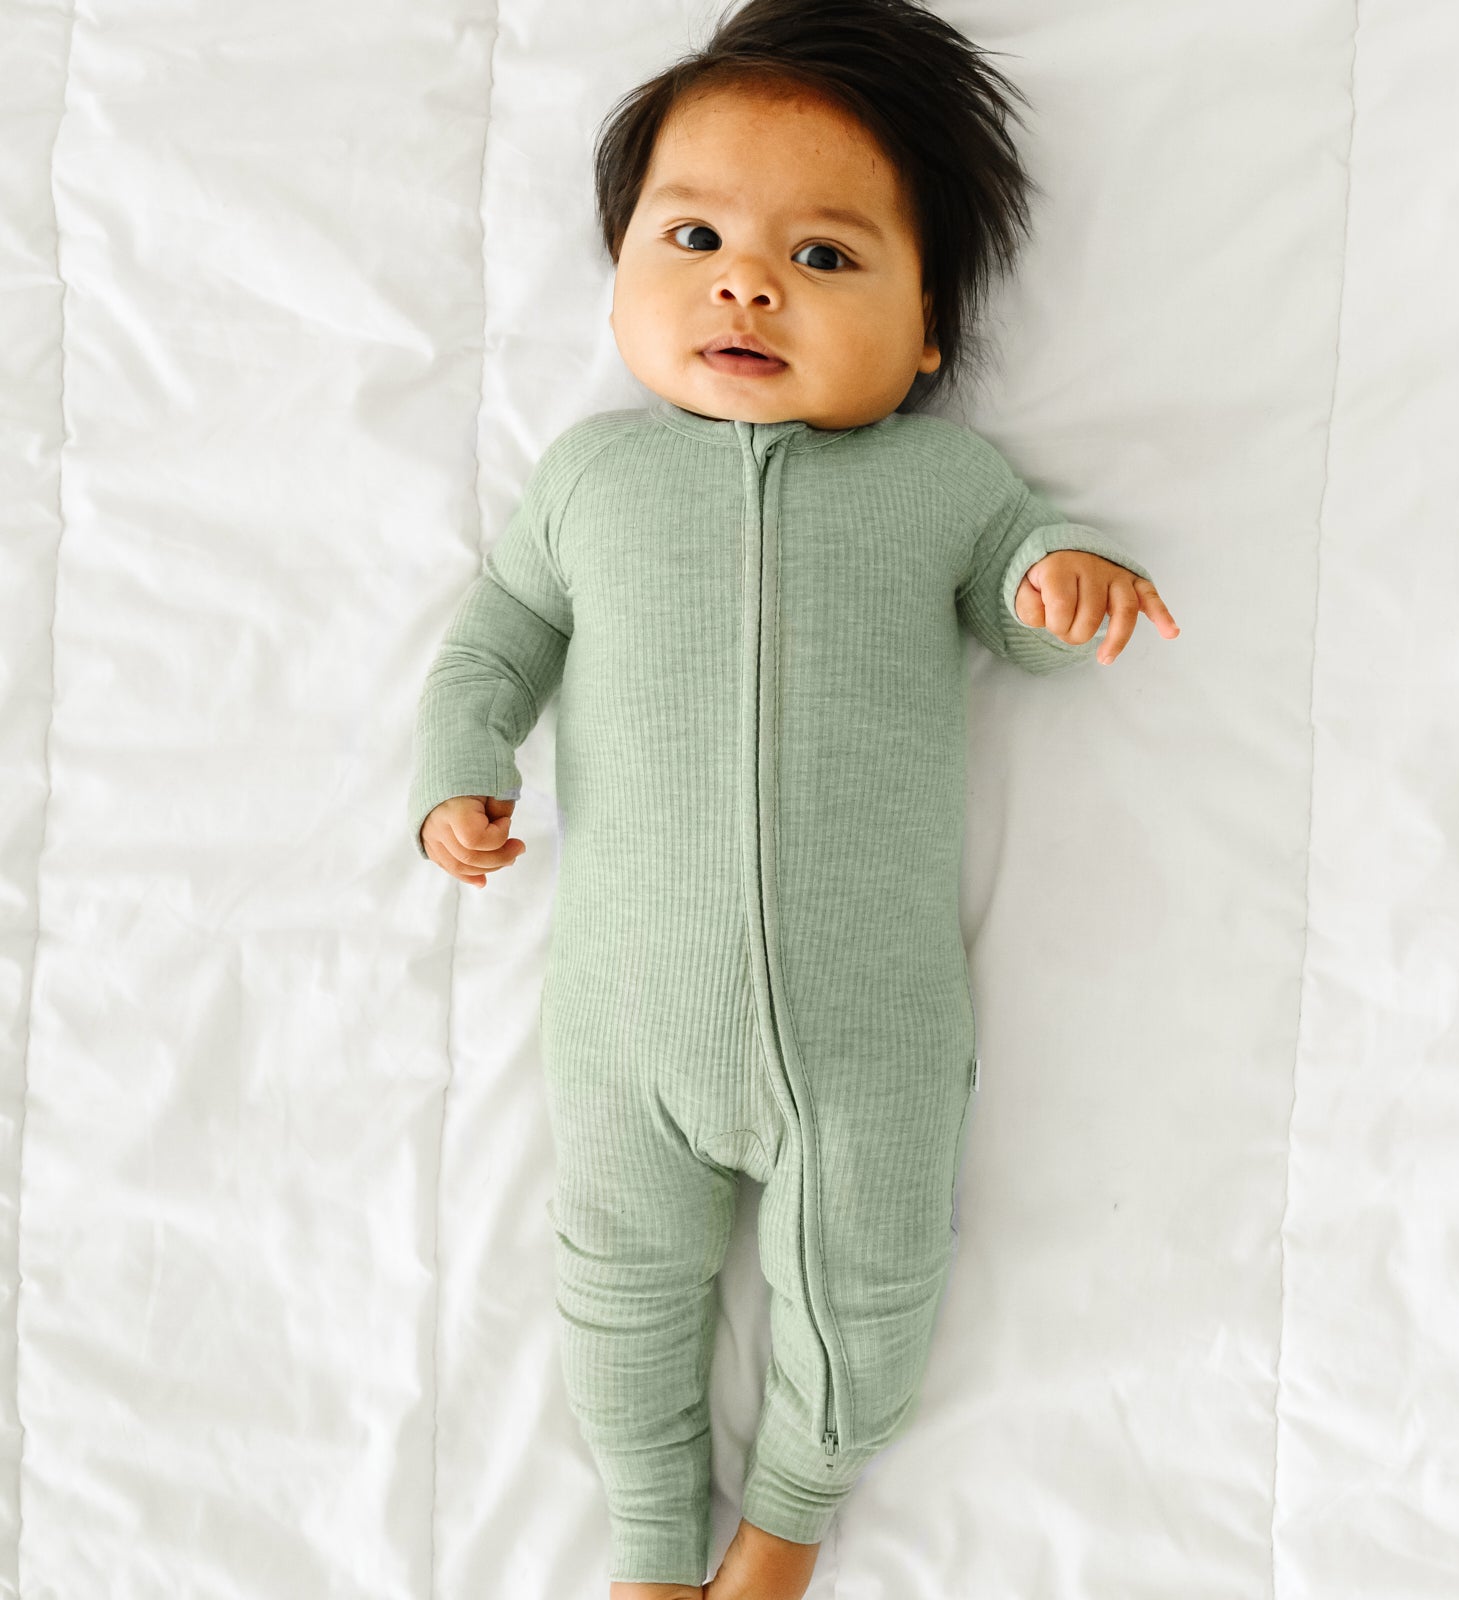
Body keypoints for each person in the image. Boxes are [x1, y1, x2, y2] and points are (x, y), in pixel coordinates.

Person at [407, 2, 1180, 1594]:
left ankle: (787, 1525)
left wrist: (1060, 586)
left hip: (869, 1030)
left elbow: (1015, 603)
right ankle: (643, 1539)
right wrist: (458, 776)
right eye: (693, 236)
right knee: (619, 1288)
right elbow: (493, 642)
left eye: (826, 258)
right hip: (631, 1025)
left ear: (927, 337)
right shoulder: (592, 483)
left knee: (873, 1281)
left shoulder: (941, 487)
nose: (748, 282)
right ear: (620, 270)